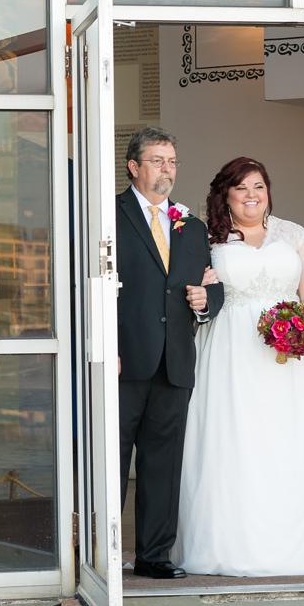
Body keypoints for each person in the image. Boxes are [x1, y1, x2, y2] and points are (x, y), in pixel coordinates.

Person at [177, 157, 304, 576]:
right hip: (230, 351)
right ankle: (231, 546)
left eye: (259, 186)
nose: (252, 195)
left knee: (291, 442)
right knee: (234, 441)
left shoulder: (294, 235)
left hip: (291, 357)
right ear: (225, 194)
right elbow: (197, 290)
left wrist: (302, 327)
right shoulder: (207, 239)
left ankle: (302, 548)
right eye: (241, 188)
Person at [112, 127, 223, 580]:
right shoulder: (108, 216)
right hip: (121, 361)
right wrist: (105, 349)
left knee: (163, 465)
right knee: (110, 461)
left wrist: (205, 303)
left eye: (172, 161)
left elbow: (210, 289)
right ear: (134, 167)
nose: (167, 169)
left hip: (174, 362)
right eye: (157, 160)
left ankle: (154, 556)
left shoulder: (191, 226)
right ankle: (99, 554)